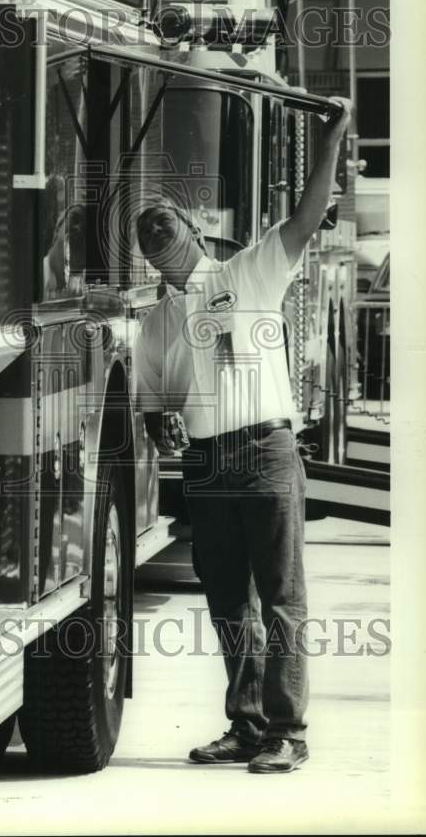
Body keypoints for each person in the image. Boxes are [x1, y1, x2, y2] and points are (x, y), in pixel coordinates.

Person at [133, 97, 352, 774]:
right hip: (206, 461)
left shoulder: (248, 272)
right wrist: (157, 421)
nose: (162, 252)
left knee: (281, 597)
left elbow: (309, 216)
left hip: (263, 451)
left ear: (194, 236)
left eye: (167, 238)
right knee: (229, 599)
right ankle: (249, 724)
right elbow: (151, 400)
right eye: (151, 246)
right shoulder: (162, 317)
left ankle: (289, 730)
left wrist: (334, 136)